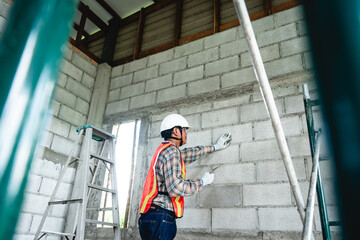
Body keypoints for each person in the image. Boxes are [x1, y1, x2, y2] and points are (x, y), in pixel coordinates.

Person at [138, 113, 232, 240]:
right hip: (160, 216)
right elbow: (176, 188)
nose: (186, 133)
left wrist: (215, 147)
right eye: (184, 130)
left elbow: (188, 154)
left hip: (153, 216)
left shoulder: (166, 150)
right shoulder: (171, 151)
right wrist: (202, 182)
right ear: (176, 131)